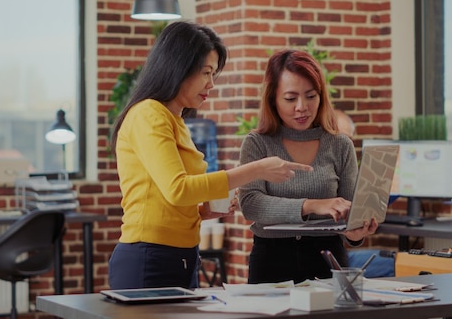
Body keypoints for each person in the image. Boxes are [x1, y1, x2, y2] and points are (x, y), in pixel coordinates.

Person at [108, 22, 313, 290]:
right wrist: (256, 169)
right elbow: (177, 188)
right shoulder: (148, 114)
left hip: (181, 255)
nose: (211, 84)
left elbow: (169, 199)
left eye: (213, 73)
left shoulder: (175, 120)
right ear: (178, 67)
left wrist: (202, 212)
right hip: (149, 256)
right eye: (206, 73)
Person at [239, 49, 378, 284]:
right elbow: (251, 205)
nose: (302, 107)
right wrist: (311, 205)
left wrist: (356, 234)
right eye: (291, 98)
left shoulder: (340, 144)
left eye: (311, 96)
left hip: (328, 260)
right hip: (271, 261)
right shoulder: (257, 144)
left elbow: (348, 212)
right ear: (273, 98)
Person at [334, 109, 396, 278]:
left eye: (350, 140)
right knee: (396, 264)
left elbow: (350, 233)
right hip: (330, 258)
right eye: (342, 138)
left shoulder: (346, 171)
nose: (346, 146)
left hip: (342, 252)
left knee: (396, 259)